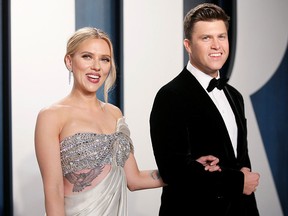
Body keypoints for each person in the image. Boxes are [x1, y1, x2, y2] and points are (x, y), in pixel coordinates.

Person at [34, 27, 221, 216]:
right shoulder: (51, 116)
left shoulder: (114, 114)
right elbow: (54, 190)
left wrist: (191, 169)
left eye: (104, 59)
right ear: (69, 61)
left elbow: (135, 179)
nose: (96, 67)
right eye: (87, 57)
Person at [150, 3, 260, 216]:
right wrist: (237, 182)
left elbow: (240, 161)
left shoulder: (235, 96)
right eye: (206, 38)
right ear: (188, 45)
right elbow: (172, 169)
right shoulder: (170, 96)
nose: (217, 45)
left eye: (221, 36)